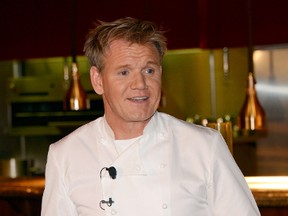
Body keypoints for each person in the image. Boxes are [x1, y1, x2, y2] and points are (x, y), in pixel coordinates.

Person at [41, 17, 260, 216]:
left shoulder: (204, 146)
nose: (140, 85)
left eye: (149, 71)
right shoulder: (65, 155)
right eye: (124, 72)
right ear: (98, 80)